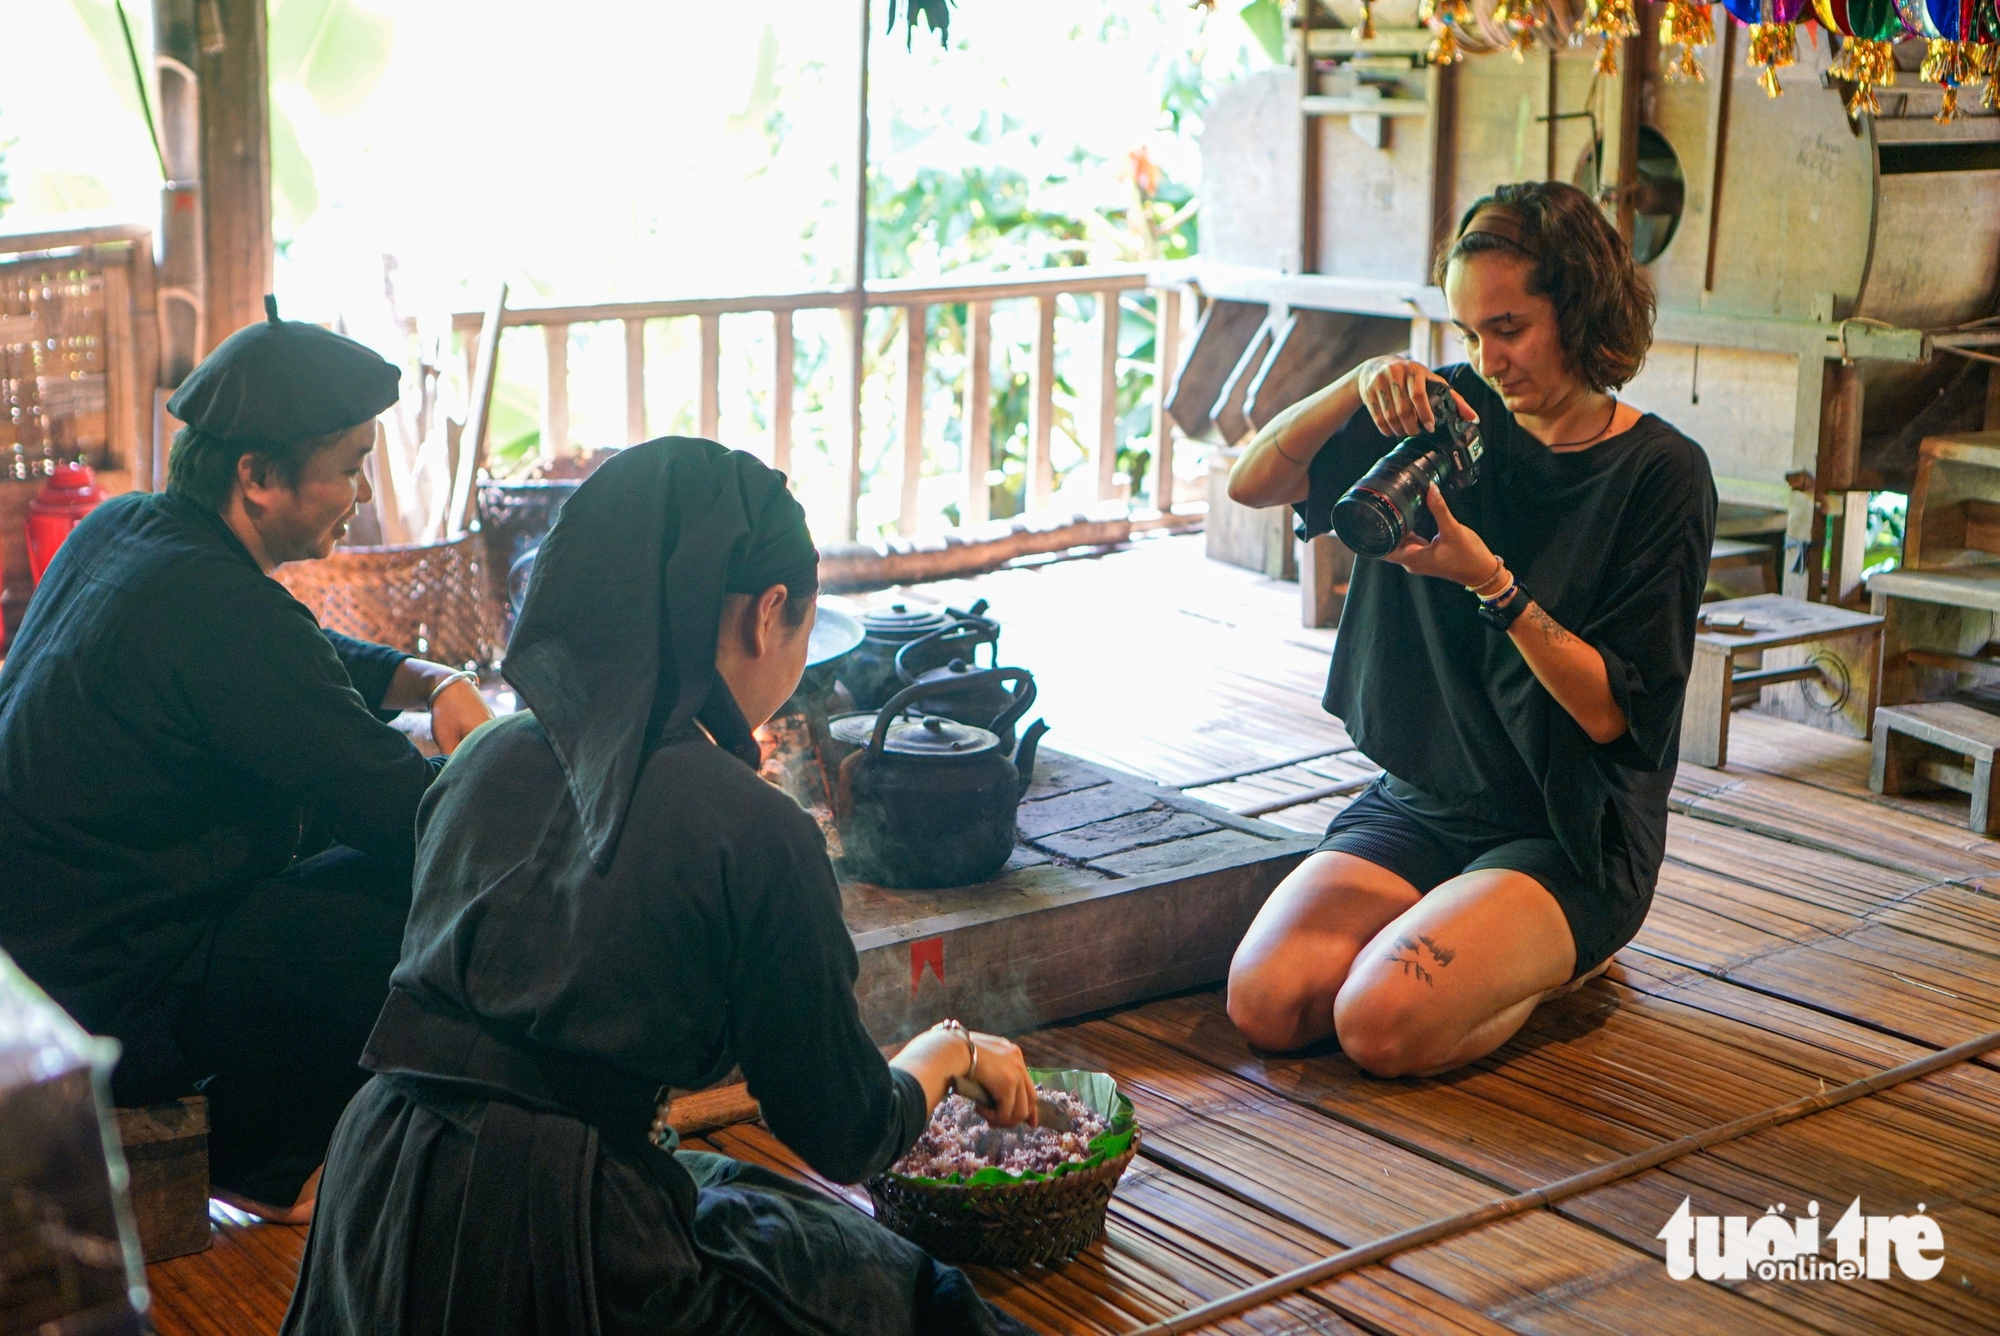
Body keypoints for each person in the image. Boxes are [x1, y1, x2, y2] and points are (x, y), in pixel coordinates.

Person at [283, 438, 1038, 1336]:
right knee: (916, 1297)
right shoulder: (756, 831)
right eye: (803, 627)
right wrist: (950, 1050)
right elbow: (843, 1132)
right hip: (558, 1235)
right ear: (766, 615)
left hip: (373, 1184)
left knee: (732, 1188)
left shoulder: (479, 758)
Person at [0, 297, 494, 1222]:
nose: (360, 493)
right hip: (99, 1007)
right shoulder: (229, 619)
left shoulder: (130, 529)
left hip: (32, 964)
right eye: (348, 467)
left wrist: (428, 682)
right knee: (418, 890)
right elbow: (412, 816)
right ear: (259, 474)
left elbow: (300, 648)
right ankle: (263, 1153)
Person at [1224, 181, 1716, 1078]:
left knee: (1377, 1025)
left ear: (1581, 310)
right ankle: (1464, 928)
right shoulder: (1450, 413)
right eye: (1467, 333)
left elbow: (1614, 717)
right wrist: (1352, 384)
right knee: (1266, 1002)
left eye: (1510, 328)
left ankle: (1560, 957)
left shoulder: (1661, 474)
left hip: (1569, 823)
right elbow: (1251, 484)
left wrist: (1490, 581)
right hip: (1429, 799)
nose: (1487, 360)